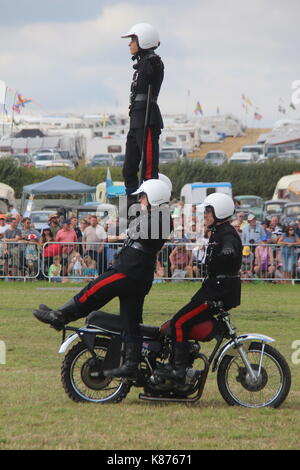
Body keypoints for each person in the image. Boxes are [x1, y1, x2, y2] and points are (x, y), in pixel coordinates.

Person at [33, 179, 172, 379]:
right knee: (130, 321)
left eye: (144, 196)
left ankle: (60, 316)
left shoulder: (160, 217)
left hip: (130, 271)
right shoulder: (156, 215)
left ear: (155, 198)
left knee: (93, 290)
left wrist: (125, 227)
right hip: (136, 272)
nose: (140, 199)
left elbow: (133, 231)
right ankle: (132, 363)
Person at [157, 193, 242, 383]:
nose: (205, 215)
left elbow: (230, 247)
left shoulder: (226, 234)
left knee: (178, 322)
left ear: (219, 212)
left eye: (209, 212)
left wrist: (228, 252)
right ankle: (181, 359)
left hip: (218, 291)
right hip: (215, 288)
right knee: (180, 322)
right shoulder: (218, 232)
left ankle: (178, 369)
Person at [121, 23, 164, 199]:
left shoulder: (153, 62)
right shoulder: (142, 64)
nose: (130, 44)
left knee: (148, 167)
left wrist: (150, 59)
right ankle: (132, 200)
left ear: (143, 40)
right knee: (128, 168)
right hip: (136, 117)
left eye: (133, 39)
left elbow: (155, 73)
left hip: (148, 117)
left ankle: (148, 200)